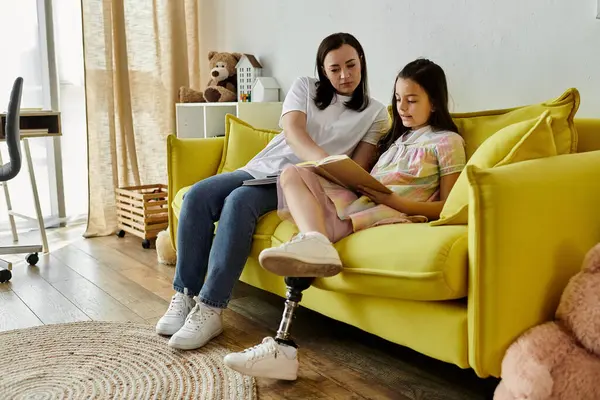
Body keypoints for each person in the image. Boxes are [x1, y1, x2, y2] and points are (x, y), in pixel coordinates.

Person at [223, 58, 467, 380]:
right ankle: (316, 242)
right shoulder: (397, 140)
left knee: (305, 240)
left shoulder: (448, 142)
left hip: (391, 212)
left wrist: (394, 201)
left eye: (412, 100)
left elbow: (450, 205)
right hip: (361, 202)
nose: (402, 108)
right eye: (397, 99)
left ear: (434, 102)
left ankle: (282, 347)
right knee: (292, 173)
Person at [155, 32, 390, 351]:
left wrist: (324, 169)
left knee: (239, 202)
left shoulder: (376, 113)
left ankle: (211, 309)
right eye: (334, 69)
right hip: (260, 167)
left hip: (303, 181)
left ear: (361, 62)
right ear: (323, 70)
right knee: (197, 195)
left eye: (351, 65)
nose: (344, 75)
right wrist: (323, 156)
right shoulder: (305, 87)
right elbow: (293, 132)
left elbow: (356, 167)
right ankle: (184, 295)